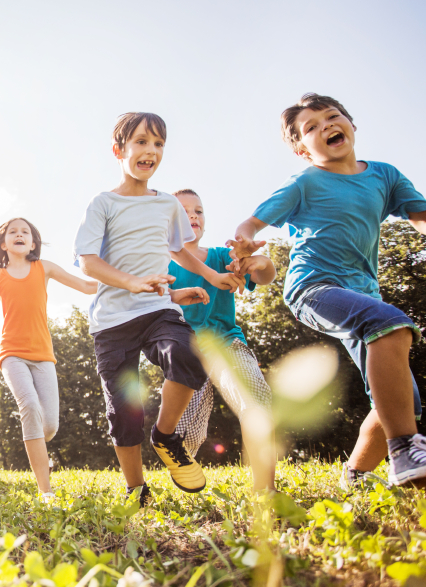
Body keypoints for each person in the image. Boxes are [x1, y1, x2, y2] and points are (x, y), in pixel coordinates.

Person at [227, 93, 426, 488]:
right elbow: (251, 224)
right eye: (311, 127)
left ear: (351, 123)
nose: (327, 126)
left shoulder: (384, 176)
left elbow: (420, 216)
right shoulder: (305, 182)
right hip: (313, 287)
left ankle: (356, 475)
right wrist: (245, 241)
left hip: (364, 296)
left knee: (405, 401)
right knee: (391, 324)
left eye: (333, 117)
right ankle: (404, 449)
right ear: (302, 149)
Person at [73, 112, 245, 503]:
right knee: (124, 410)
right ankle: (136, 488)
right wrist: (131, 282)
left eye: (158, 144)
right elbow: (88, 262)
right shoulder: (103, 203)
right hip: (112, 321)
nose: (150, 150)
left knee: (187, 354)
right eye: (141, 141)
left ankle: (165, 436)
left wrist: (212, 276)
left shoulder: (167, 204)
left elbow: (179, 250)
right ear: (118, 150)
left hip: (157, 310)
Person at [0, 218, 98, 499]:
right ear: (3, 244)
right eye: (13, 232)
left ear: (33, 243)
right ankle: (45, 491)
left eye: (25, 231)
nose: (19, 234)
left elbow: (86, 286)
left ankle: (37, 444)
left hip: (43, 355)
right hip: (11, 354)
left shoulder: (44, 267)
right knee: (29, 406)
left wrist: (124, 281)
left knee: (49, 426)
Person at [168, 189, 277, 491]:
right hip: (186, 352)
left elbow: (265, 275)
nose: (193, 216)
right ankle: (183, 485)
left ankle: (265, 489)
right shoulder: (162, 265)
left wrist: (259, 263)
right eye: (184, 211)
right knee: (185, 435)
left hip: (226, 343)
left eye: (198, 211)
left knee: (256, 398)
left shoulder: (220, 257)